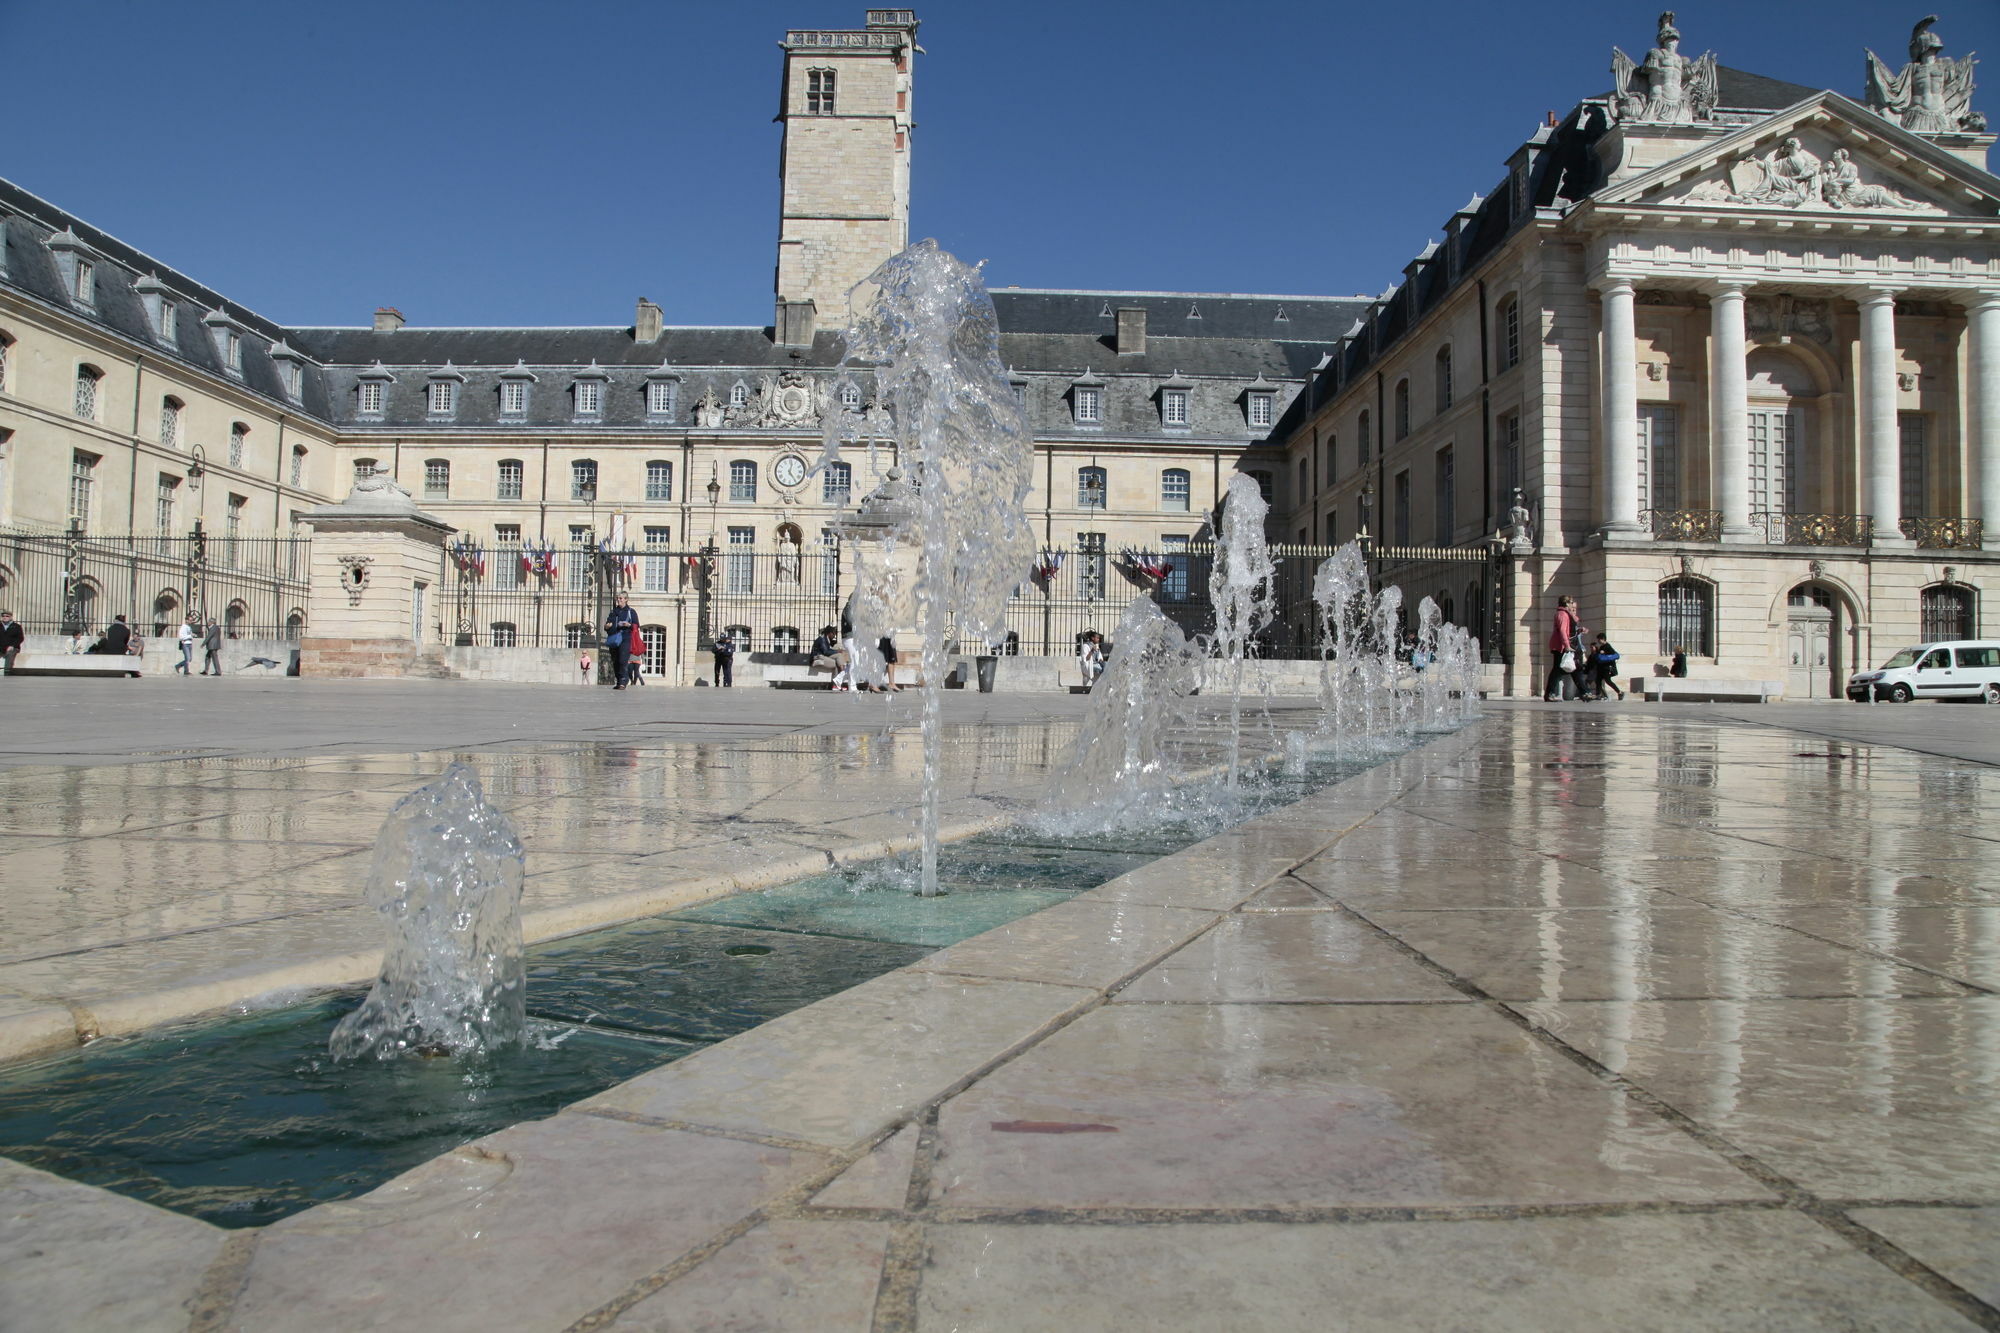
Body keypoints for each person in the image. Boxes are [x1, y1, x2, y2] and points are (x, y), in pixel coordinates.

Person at [1543, 595, 1585, 702]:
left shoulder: (1565, 614)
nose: (1572, 604)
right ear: (1566, 603)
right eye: (1571, 602)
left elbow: (1573, 622)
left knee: (1559, 670)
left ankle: (1584, 691)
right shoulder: (1562, 614)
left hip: (1562, 645)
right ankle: (1549, 694)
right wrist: (1567, 645)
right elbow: (1562, 631)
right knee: (1558, 670)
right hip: (1560, 646)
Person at [603, 595, 638, 691]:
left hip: (625, 638)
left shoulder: (631, 612)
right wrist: (607, 626)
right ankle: (618, 681)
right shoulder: (613, 612)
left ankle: (623, 681)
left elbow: (636, 625)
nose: (618, 600)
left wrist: (629, 625)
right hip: (614, 638)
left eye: (621, 598)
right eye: (617, 598)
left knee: (623, 660)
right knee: (616, 661)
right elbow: (607, 625)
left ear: (626, 599)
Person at [1588, 633, 1624, 701]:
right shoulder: (1602, 647)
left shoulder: (1608, 646)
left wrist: (1604, 652)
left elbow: (1613, 655)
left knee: (1608, 681)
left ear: (1603, 639)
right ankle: (1598, 694)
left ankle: (1620, 692)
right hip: (1601, 667)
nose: (1598, 641)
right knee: (1598, 681)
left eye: (1599, 639)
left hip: (1607, 667)